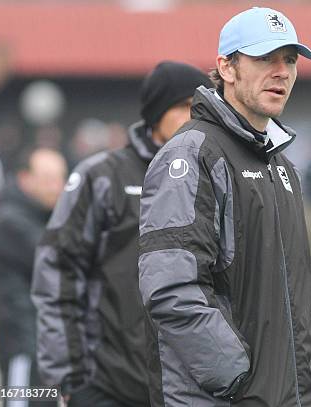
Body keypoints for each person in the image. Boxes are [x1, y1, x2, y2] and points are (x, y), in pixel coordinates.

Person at [138, 7, 311, 407]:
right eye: (264, 58)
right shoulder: (191, 154)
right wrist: (235, 375)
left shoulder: (283, 167)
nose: (282, 71)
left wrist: (305, 375)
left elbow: (290, 297)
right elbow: (170, 288)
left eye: (289, 60)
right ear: (226, 66)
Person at [31, 61, 212, 407]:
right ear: (156, 113)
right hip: (108, 386)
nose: (194, 116)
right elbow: (57, 275)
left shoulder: (214, 175)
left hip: (191, 390)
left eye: (200, 106)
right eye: (183, 106)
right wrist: (70, 377)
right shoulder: (101, 177)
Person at [0, 147, 66, 406]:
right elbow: (59, 260)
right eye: (48, 179)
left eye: (61, 178)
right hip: (24, 347)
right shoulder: (9, 221)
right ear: (25, 179)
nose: (57, 186)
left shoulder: (48, 217)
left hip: (49, 346)